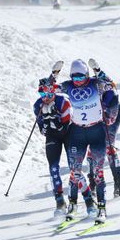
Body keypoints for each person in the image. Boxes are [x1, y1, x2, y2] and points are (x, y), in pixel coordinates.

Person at [58, 59, 118, 224]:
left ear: (86, 75)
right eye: (74, 78)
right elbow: (47, 91)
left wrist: (98, 70)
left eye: (80, 77)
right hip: (77, 131)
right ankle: (72, 206)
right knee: (74, 171)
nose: (77, 82)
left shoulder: (96, 84)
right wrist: (53, 74)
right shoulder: (67, 86)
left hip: (96, 130)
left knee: (98, 172)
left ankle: (101, 208)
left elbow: (112, 85)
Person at [33, 77, 72, 216]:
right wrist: (47, 123)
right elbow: (42, 130)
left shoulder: (63, 101)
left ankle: (84, 198)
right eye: (42, 95)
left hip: (68, 135)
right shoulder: (38, 106)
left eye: (49, 95)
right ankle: (60, 201)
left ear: (53, 92)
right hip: (52, 136)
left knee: (73, 166)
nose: (45, 98)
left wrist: (56, 120)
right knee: (53, 168)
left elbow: (67, 127)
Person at [85, 60, 120, 198]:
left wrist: (105, 116)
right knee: (91, 148)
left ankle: (118, 181)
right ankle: (93, 182)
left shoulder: (109, 92)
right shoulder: (86, 88)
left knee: (108, 146)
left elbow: (112, 115)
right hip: (94, 119)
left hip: (110, 117)